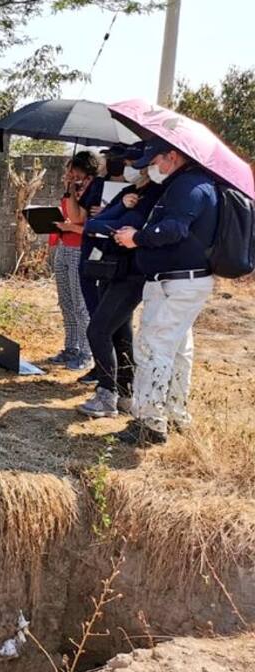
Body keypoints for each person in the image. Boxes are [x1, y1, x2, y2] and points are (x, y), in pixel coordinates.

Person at [112, 139, 219, 445]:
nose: (151, 168)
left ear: (172, 156)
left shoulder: (188, 187)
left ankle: (150, 421)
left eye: (155, 161)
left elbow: (173, 229)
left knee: (153, 346)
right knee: (177, 348)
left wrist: (138, 238)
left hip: (176, 283)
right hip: (182, 280)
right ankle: (175, 412)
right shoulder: (192, 184)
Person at [77, 147, 164, 419]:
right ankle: (125, 393)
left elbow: (114, 227)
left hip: (131, 274)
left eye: (136, 165)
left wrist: (109, 222)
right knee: (120, 333)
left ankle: (106, 393)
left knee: (98, 330)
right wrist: (115, 212)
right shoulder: (132, 193)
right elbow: (93, 223)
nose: (131, 170)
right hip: (114, 270)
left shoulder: (151, 197)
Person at [68, 144, 129, 387]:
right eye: (108, 159)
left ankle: (118, 377)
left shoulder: (139, 191)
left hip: (120, 262)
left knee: (117, 323)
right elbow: (78, 218)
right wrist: (70, 190)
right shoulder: (99, 185)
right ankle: (100, 368)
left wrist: (113, 210)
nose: (110, 163)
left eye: (117, 159)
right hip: (93, 257)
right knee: (95, 313)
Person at [47, 150, 100, 372]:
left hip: (80, 249)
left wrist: (71, 225)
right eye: (68, 169)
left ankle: (87, 353)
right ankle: (71, 346)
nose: (69, 173)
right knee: (66, 302)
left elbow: (79, 219)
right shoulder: (73, 190)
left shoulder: (93, 190)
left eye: (74, 169)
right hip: (64, 247)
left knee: (80, 304)